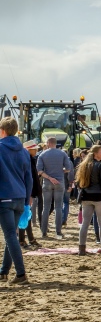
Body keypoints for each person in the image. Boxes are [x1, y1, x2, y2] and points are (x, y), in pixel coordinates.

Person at [0, 118, 33, 285]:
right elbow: (29, 178)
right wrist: (27, 201)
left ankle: (21, 273)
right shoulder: (24, 151)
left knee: (10, 235)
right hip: (20, 197)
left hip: (4, 197)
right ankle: (4, 271)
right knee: (11, 234)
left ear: (2, 130)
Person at [75, 145, 101, 256]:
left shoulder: (84, 165)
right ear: (96, 153)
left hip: (86, 195)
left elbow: (78, 182)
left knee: (85, 223)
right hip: (99, 195)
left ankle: (81, 248)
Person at [37, 136, 73, 239]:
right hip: (59, 181)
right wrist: (60, 171)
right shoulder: (62, 153)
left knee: (46, 207)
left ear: (48, 143)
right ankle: (58, 231)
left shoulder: (42, 154)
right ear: (55, 143)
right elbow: (68, 169)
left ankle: (44, 232)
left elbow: (39, 171)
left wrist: (49, 177)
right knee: (58, 207)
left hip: (47, 182)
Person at [19, 141, 42, 250]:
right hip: (27, 192)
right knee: (25, 215)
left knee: (27, 215)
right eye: (34, 149)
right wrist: (31, 194)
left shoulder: (30, 159)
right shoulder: (27, 159)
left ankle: (29, 239)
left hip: (28, 192)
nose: (36, 150)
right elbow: (29, 178)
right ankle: (23, 240)